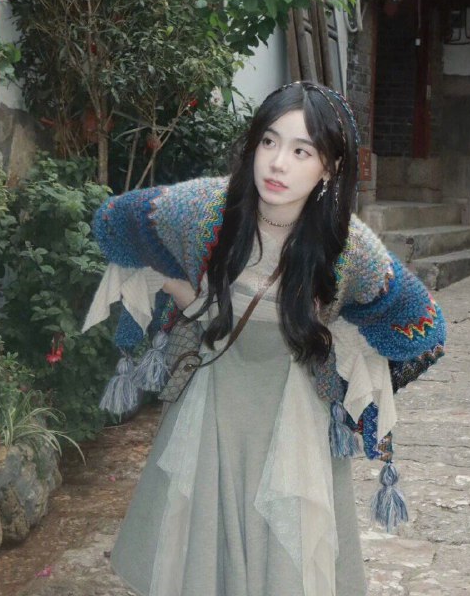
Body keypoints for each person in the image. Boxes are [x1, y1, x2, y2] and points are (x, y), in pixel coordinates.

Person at [82, 81, 446, 596]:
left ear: (330, 167)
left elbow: (423, 329)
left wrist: (347, 368)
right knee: (203, 557)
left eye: (302, 151)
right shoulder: (208, 208)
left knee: (286, 561)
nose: (277, 163)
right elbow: (113, 223)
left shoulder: (348, 246)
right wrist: (183, 292)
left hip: (296, 420)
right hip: (211, 405)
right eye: (269, 142)